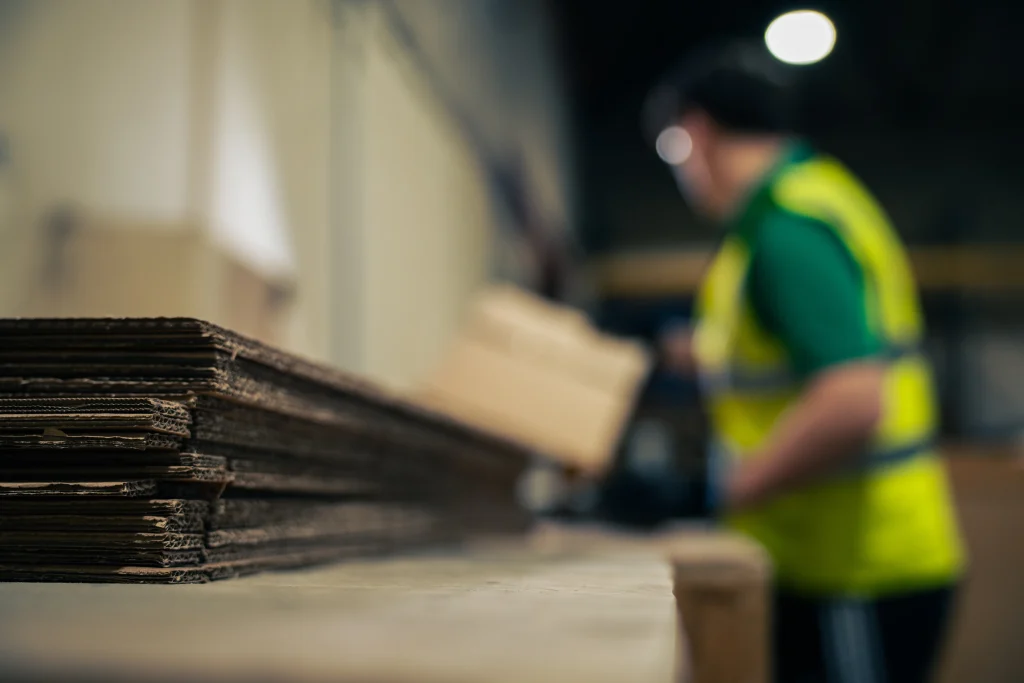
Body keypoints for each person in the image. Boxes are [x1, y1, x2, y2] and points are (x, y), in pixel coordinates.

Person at [649, 42, 964, 683]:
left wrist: (726, 491)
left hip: (859, 570)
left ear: (697, 132)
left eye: (673, 150)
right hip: (829, 561)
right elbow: (781, 357)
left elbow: (853, 399)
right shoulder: (787, 212)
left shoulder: (790, 231)